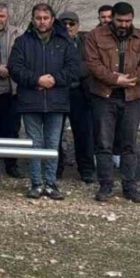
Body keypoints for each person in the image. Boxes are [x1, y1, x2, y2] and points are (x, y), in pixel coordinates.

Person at [83, 2, 140, 203]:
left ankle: (129, 184)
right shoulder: (95, 36)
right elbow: (92, 63)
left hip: (131, 95)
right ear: (112, 18)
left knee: (129, 143)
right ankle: (106, 184)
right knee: (103, 142)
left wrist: (133, 78)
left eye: (128, 20)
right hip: (104, 95)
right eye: (120, 20)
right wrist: (115, 79)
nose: (124, 24)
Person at [10, 3, 80, 200]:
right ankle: (36, 182)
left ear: (52, 19)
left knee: (52, 143)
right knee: (34, 142)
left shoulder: (64, 42)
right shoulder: (22, 41)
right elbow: (15, 68)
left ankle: (50, 183)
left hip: (57, 100)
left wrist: (54, 80)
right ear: (33, 19)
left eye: (45, 18)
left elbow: (74, 69)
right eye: (38, 18)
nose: (42, 21)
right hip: (30, 100)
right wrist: (36, 80)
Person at [58, 11, 94, 183]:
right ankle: (56, 168)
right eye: (63, 23)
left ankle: (86, 169)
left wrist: (69, 72)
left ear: (78, 25)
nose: (67, 27)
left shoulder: (85, 43)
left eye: (71, 24)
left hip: (80, 92)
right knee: (55, 134)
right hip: (57, 92)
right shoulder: (53, 42)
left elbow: (90, 64)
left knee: (84, 134)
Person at [0, 2, 23, 178]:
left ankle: (11, 163)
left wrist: (9, 69)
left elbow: (23, 57)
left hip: (12, 89)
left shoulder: (18, 34)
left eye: (2, 16)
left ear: (7, 17)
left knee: (11, 128)